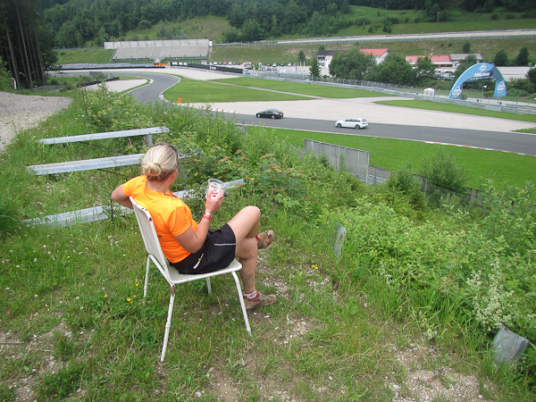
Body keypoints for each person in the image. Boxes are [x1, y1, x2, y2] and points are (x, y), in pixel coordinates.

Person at [111, 143, 276, 311]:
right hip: (195, 258)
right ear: (174, 173)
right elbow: (195, 245)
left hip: (179, 249)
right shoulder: (172, 208)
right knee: (253, 211)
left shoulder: (138, 183)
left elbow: (115, 196)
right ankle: (253, 239)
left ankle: (251, 296)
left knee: (249, 247)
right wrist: (209, 211)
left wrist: (147, 213)